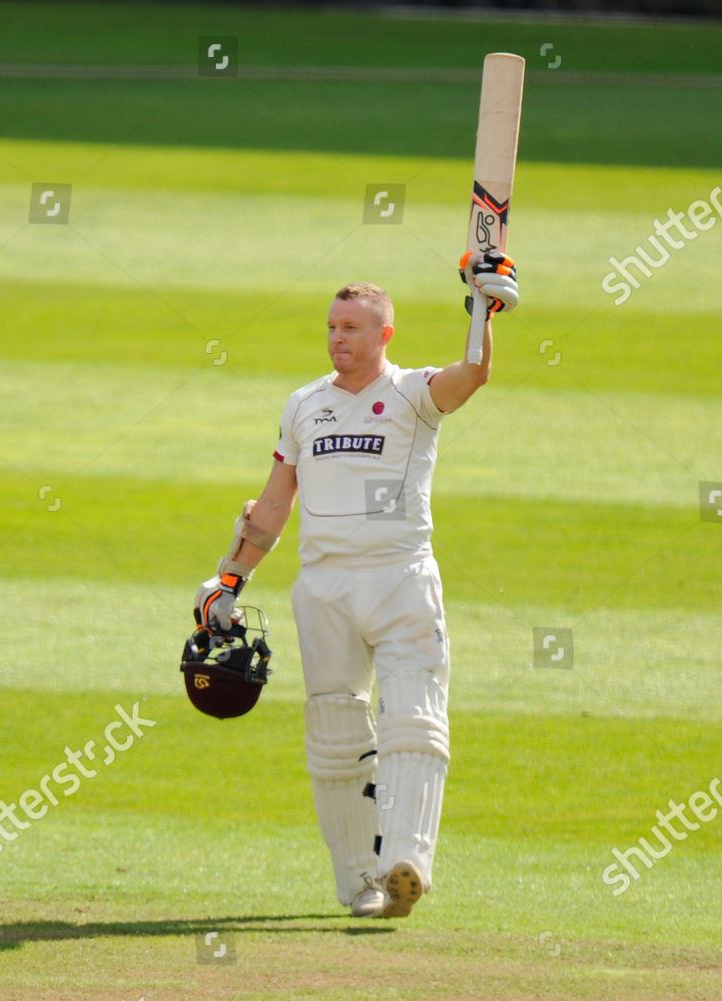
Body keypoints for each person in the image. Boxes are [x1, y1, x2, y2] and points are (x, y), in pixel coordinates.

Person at [194, 252, 519, 918]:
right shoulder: (305, 406)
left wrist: (484, 308)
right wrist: (228, 580)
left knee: (413, 721)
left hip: (400, 577)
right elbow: (273, 508)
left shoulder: (411, 393)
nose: (339, 337)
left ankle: (407, 862)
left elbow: (474, 375)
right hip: (325, 586)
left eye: (353, 327)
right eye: (332, 326)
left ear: (384, 336)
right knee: (337, 734)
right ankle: (360, 884)